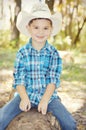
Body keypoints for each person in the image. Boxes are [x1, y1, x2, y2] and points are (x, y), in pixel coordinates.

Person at [0, 3, 77, 130]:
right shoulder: (22, 53)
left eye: (45, 28)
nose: (40, 32)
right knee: (1, 119)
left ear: (51, 29)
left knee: (70, 124)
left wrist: (45, 100)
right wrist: (24, 98)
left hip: (48, 96)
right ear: (28, 28)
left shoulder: (53, 53)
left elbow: (53, 80)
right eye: (36, 27)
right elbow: (19, 79)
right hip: (25, 94)